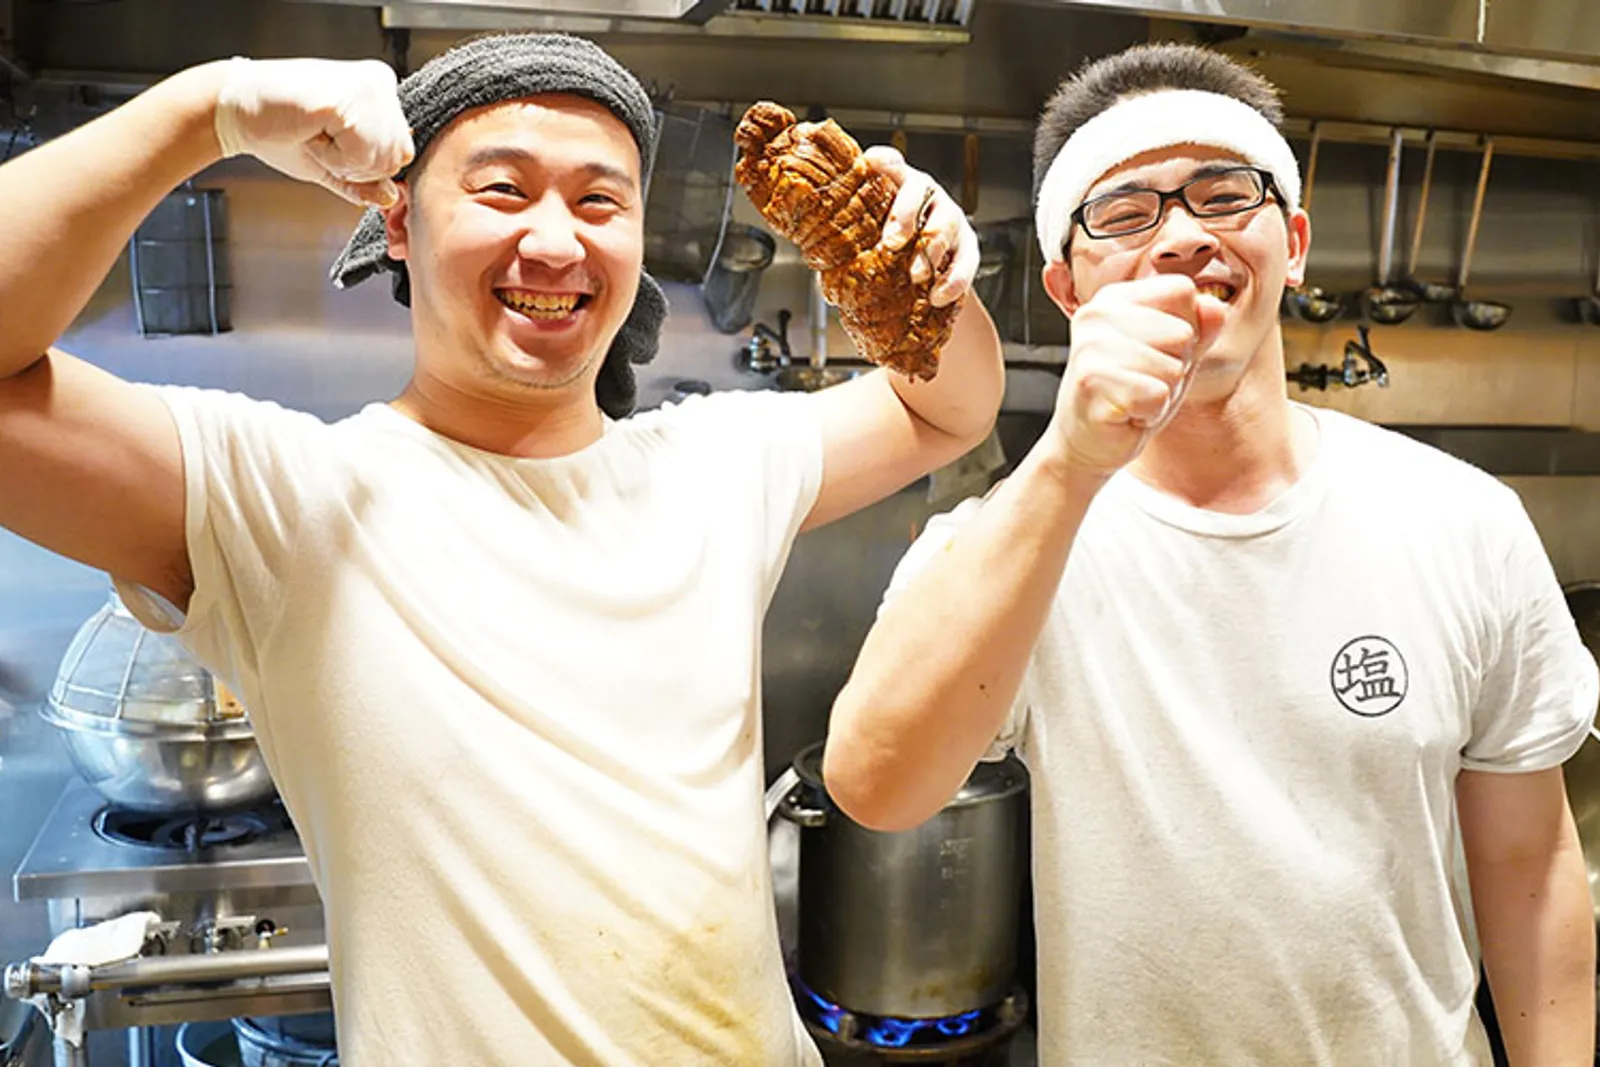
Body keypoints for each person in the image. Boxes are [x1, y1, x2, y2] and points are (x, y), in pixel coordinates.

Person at [0, 32, 1004, 1067]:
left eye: (600, 202)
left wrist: (924, 270)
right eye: (502, 190)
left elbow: (949, 410)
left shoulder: (717, 461)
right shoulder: (283, 500)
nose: (558, 243)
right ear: (396, 220)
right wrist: (209, 107)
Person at [825, 42, 1597, 1066]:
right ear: (1065, 283)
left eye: (1223, 194)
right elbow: (874, 785)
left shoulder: (1462, 520)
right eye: (1124, 211)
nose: (1184, 236)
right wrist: (1068, 460)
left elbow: (1530, 863)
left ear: (1296, 241)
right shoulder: (1012, 540)